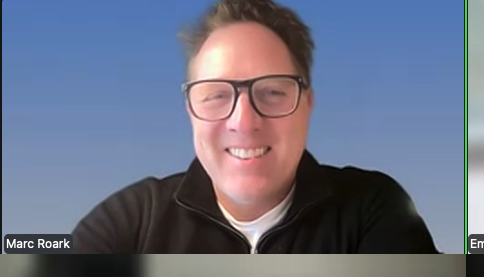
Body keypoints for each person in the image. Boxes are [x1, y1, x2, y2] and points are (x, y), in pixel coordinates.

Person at [71, 0, 437, 254]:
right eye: (216, 96)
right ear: (190, 112)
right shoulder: (129, 224)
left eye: (273, 92)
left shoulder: (372, 211)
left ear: (307, 104)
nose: (244, 122)